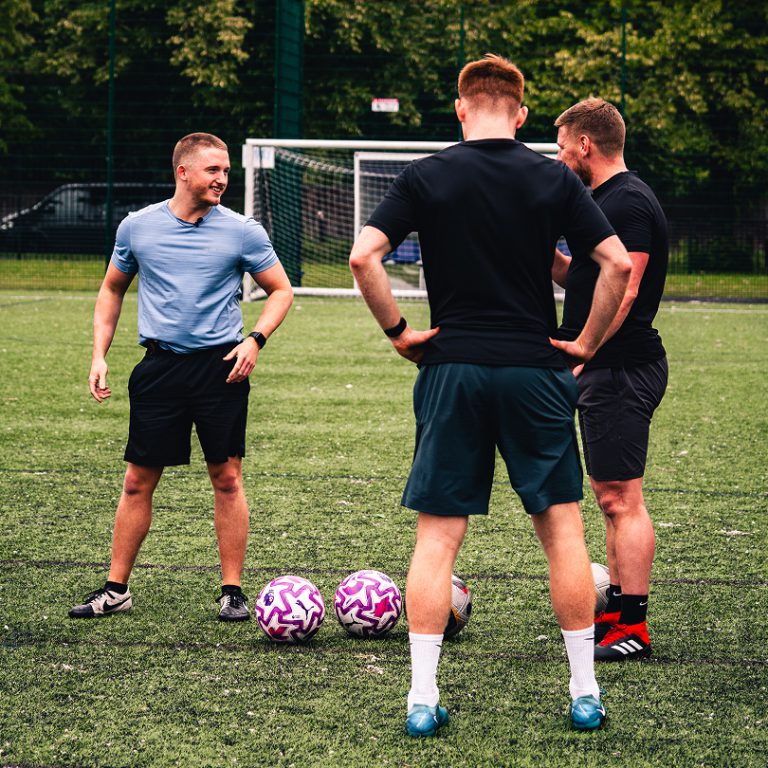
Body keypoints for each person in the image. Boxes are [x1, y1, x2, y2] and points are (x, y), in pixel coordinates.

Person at [349, 54, 632, 735]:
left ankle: (421, 699)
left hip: (452, 369)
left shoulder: (426, 175)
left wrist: (398, 331)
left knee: (438, 540)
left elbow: (363, 257)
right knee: (563, 533)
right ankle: (584, 693)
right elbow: (617, 264)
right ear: (524, 113)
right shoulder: (551, 176)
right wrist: (587, 343)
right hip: (535, 371)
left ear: (460, 108)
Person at [69, 132, 293, 622]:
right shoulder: (137, 227)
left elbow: (280, 290)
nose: (223, 179)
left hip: (222, 369)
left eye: (227, 171)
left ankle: (231, 591)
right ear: (183, 172)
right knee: (136, 481)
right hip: (159, 368)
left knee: (228, 478)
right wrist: (99, 354)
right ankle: (116, 588)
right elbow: (111, 290)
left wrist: (254, 339)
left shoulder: (242, 231)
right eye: (214, 170)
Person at [553, 98, 669, 661]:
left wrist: (583, 352)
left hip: (620, 367)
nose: (558, 157)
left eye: (560, 146)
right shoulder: (603, 201)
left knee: (622, 498)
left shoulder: (626, 201)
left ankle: (635, 630)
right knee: (610, 497)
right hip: (603, 366)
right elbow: (582, 274)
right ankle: (619, 615)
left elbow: (627, 287)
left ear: (584, 146)